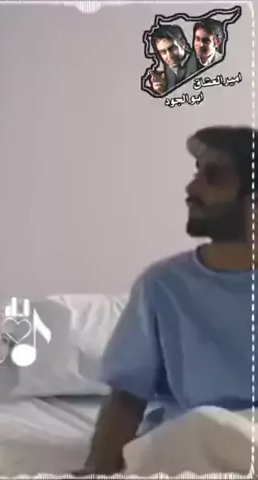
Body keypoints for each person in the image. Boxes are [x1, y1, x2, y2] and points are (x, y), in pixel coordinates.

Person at [79, 125, 254, 475]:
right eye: (197, 173)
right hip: (198, 444)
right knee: (203, 426)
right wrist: (98, 468)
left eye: (213, 177)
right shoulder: (163, 286)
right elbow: (127, 396)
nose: (191, 189)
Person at [151, 24, 200, 91]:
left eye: (172, 48)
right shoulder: (168, 68)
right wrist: (162, 90)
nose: (169, 55)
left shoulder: (198, 60)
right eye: (163, 52)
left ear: (183, 43)